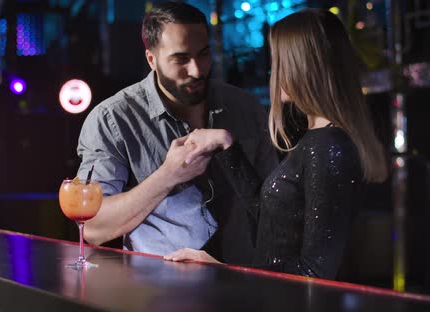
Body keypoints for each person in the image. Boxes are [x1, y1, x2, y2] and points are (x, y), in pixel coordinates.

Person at [164, 8, 388, 280]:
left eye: (279, 60)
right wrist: (226, 144)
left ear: (302, 67)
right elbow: (272, 220)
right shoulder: (316, 139)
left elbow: (313, 273)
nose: (274, 71)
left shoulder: (328, 146)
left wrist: (223, 272)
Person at [76, 2, 278, 257]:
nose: (196, 70)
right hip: (159, 287)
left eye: (203, 54)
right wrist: (168, 175)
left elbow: (274, 210)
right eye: (181, 59)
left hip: (243, 281)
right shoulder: (113, 119)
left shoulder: (245, 108)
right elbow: (92, 227)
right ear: (152, 59)